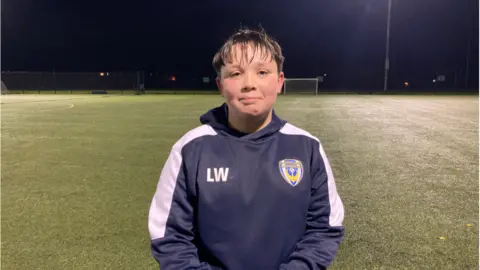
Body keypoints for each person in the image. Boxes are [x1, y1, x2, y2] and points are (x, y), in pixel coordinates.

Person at [148, 27, 345, 270]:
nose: (249, 84)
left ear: (280, 82)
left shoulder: (308, 148)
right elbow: (170, 238)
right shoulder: (189, 149)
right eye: (236, 73)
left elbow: (324, 228)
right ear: (220, 85)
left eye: (262, 72)